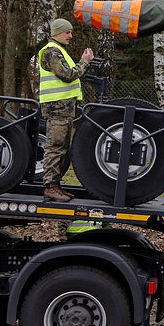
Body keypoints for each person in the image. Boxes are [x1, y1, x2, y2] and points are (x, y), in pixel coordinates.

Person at [38, 18, 93, 202]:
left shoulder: (59, 51)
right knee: (55, 147)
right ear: (57, 33)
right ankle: (51, 187)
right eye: (67, 32)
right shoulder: (51, 52)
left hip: (63, 108)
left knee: (61, 148)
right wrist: (84, 62)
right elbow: (68, 75)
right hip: (56, 107)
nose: (70, 35)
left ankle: (56, 187)